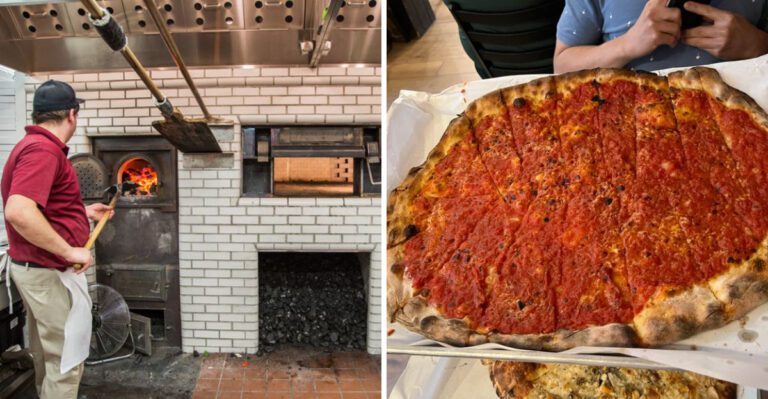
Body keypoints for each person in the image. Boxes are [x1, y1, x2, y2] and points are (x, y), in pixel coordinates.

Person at [1, 80, 113, 399]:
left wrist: (82, 211)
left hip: (36, 270)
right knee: (67, 362)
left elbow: (41, 205)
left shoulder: (29, 146)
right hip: (47, 273)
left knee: (50, 358)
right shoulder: (43, 150)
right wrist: (70, 249)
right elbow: (20, 211)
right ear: (72, 115)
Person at [554, 0, 768, 73]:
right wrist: (626, 46)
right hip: (628, 123)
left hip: (739, 126)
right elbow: (562, 64)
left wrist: (758, 45)